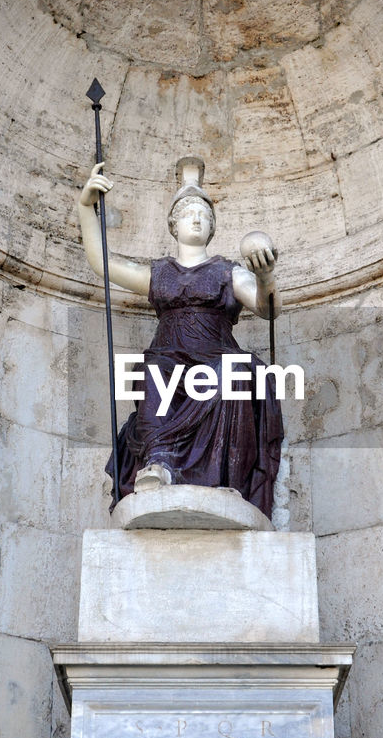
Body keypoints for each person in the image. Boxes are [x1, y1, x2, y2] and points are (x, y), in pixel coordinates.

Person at [77, 157, 283, 518]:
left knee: (235, 373)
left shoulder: (227, 271)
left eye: (204, 213)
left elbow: (267, 309)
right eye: (189, 211)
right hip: (169, 357)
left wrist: (265, 277)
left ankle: (226, 476)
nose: (197, 218)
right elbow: (102, 263)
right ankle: (157, 464)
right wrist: (85, 208)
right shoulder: (160, 273)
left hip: (215, 355)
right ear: (173, 224)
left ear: (213, 227)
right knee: (153, 369)